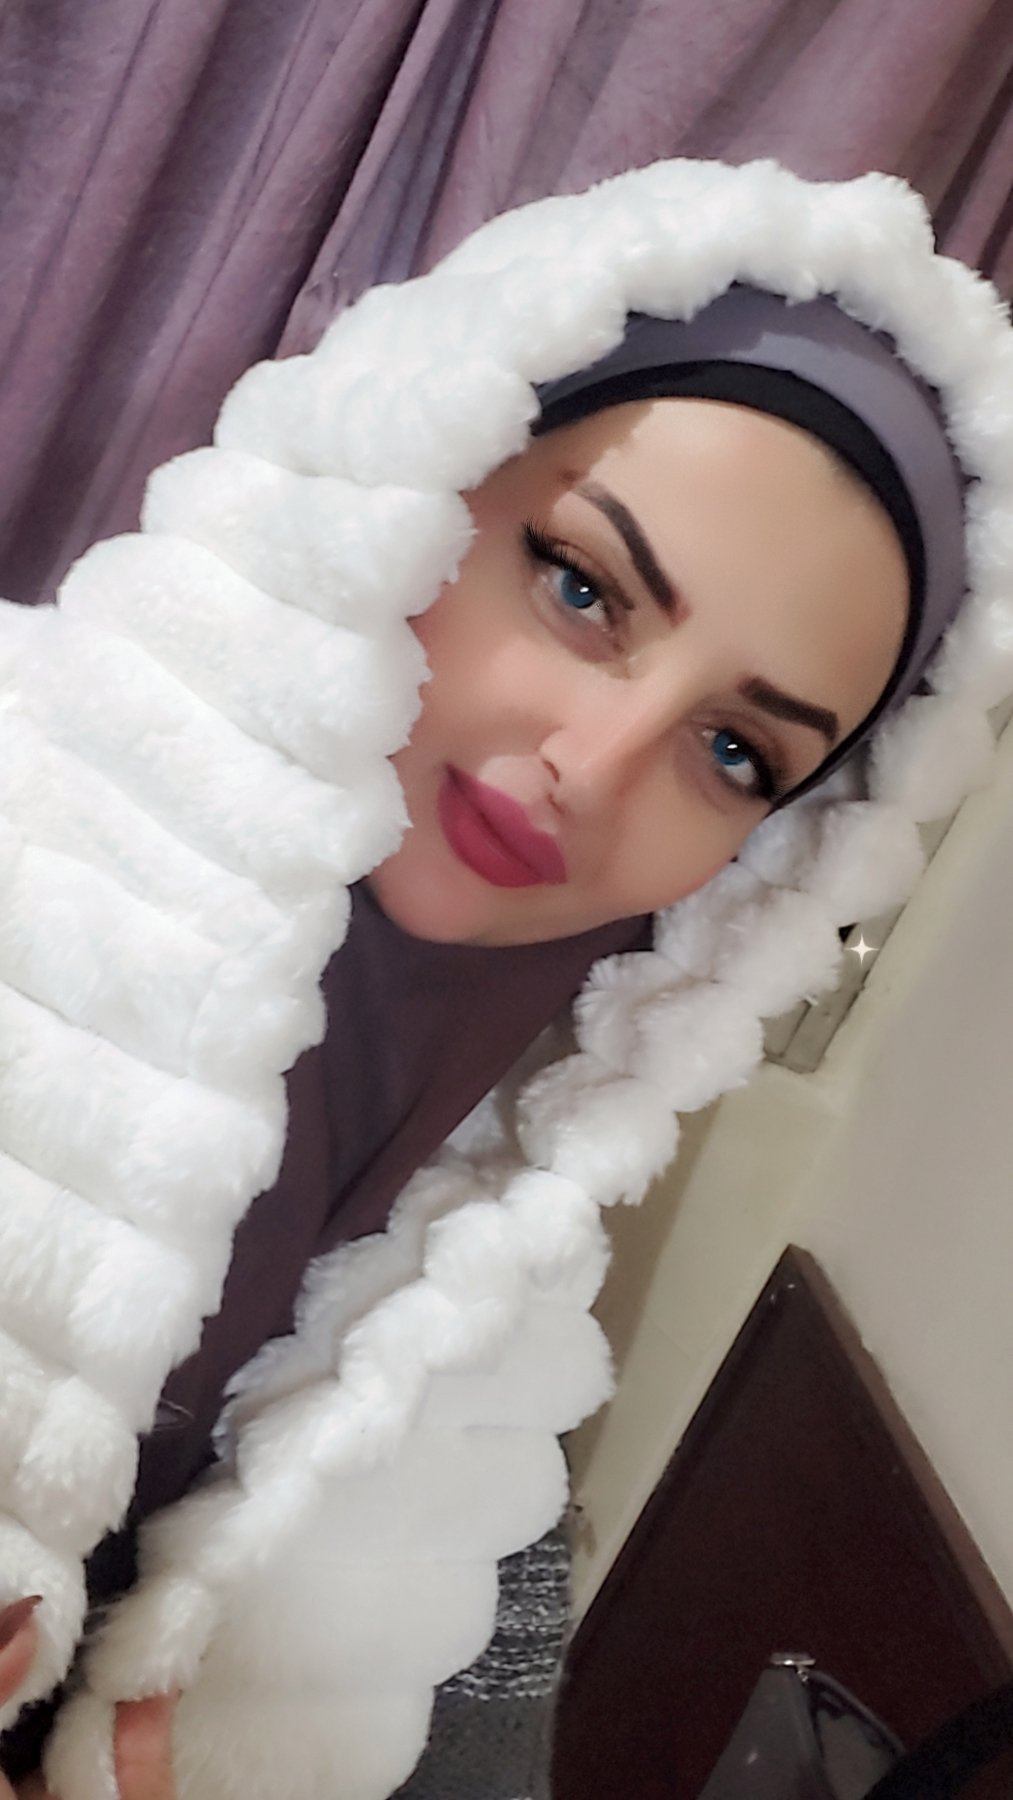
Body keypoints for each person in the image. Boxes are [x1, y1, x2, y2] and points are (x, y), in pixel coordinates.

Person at [0, 155, 1011, 1800]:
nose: (590, 767)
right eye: (580, 586)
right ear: (413, 478)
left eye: (736, 753)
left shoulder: (489, 1281)